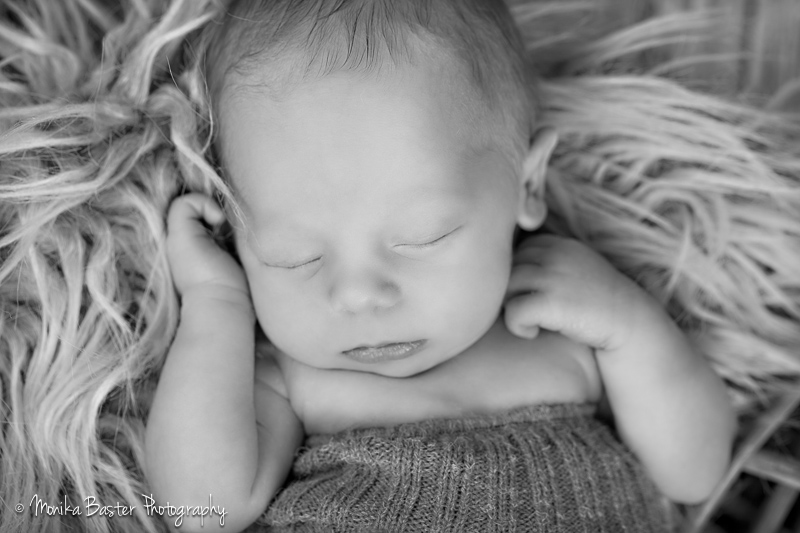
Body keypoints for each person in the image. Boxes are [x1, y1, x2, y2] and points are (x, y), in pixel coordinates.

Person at [144, 0, 736, 531]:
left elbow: (695, 473)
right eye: (293, 256)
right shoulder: (291, 381)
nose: (358, 294)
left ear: (527, 184)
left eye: (422, 237)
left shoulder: (568, 332)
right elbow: (202, 511)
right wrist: (216, 305)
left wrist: (630, 327)